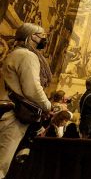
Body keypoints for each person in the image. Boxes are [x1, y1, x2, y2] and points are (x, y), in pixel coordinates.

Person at [0, 23, 52, 178]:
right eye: (41, 35)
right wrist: (47, 105)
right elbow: (32, 89)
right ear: (31, 36)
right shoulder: (27, 56)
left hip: (7, 109)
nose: (44, 39)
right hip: (14, 115)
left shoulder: (15, 53)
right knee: (2, 161)